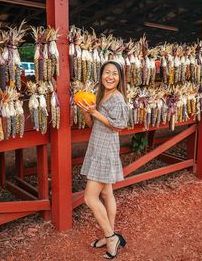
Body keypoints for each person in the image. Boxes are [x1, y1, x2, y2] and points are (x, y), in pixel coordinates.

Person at [77, 60, 129, 259]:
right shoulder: (101, 95)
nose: (110, 76)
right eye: (106, 72)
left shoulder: (117, 99)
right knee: (106, 193)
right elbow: (92, 123)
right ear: (101, 75)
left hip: (105, 149)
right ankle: (112, 233)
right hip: (97, 144)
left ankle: (110, 237)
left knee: (90, 198)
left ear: (119, 78)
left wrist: (95, 112)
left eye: (114, 73)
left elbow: (119, 126)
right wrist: (86, 113)